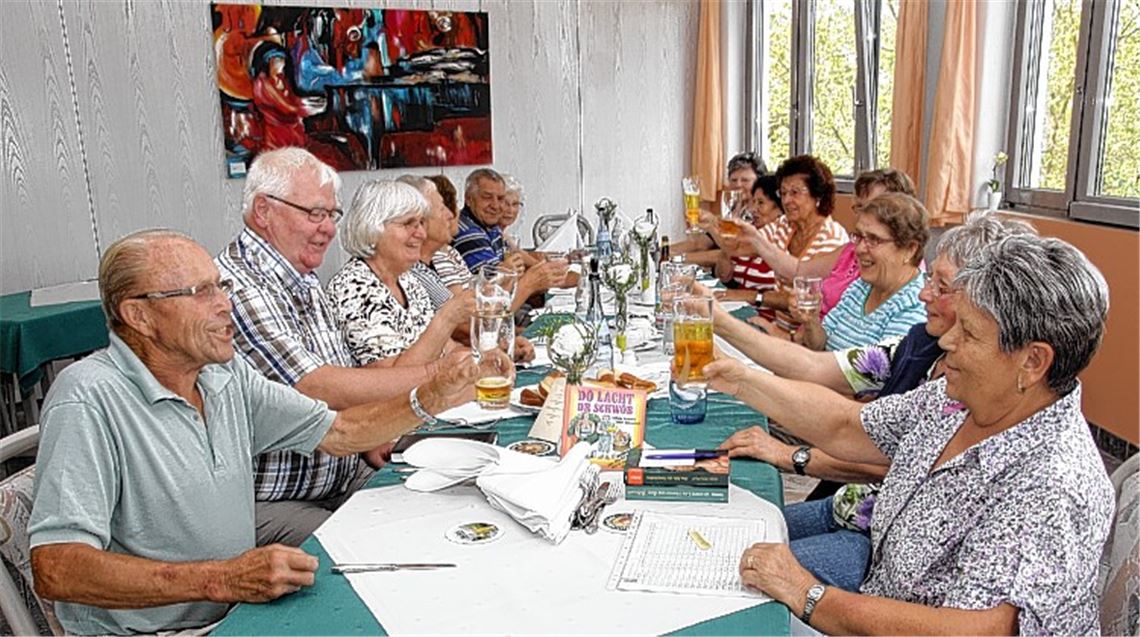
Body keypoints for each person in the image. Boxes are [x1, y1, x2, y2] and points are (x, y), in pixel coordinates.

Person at [29, 230, 478, 635]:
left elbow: (340, 431)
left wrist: (431, 398)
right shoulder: (87, 399)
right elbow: (58, 567)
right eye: (200, 292)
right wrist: (222, 578)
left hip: (231, 612)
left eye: (221, 286)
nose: (226, 303)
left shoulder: (222, 374)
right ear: (140, 316)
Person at [707, 233, 1114, 635]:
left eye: (969, 333)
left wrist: (809, 594)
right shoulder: (958, 399)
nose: (948, 339)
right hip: (876, 595)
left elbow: (976, 632)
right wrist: (741, 380)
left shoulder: (1052, 485)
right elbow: (849, 426)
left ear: (1033, 361)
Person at [714, 213, 1038, 592]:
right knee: (730, 539)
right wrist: (724, 341)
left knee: (731, 569)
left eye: (942, 285)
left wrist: (791, 456)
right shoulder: (920, 345)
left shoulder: (997, 405)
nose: (924, 293)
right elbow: (840, 402)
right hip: (861, 508)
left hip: (881, 549)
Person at [215, 147, 443, 546]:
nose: (329, 229)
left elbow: (345, 383)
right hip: (278, 497)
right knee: (386, 551)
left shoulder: (302, 277)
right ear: (264, 211)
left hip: (343, 468)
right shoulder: (240, 287)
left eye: (332, 215)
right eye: (315, 213)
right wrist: (441, 377)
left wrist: (372, 437)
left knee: (440, 515)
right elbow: (317, 386)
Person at [327, 180, 475, 366]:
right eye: (408, 224)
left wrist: (487, 357)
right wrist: (447, 317)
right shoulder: (354, 288)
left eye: (421, 223)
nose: (421, 233)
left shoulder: (407, 281)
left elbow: (448, 349)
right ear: (374, 227)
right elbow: (390, 381)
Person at [792, 192, 928, 351]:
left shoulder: (914, 307)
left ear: (910, 249)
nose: (859, 249)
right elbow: (821, 343)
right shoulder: (861, 287)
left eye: (874, 239)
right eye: (859, 236)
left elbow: (875, 374)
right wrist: (811, 321)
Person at [747, 155, 849, 334]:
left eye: (795, 192)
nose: (786, 201)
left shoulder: (833, 238)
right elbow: (741, 247)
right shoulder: (784, 225)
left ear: (817, 194)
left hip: (809, 342)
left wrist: (750, 296)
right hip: (778, 331)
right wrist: (712, 225)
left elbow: (807, 299)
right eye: (783, 193)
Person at [672, 152, 766, 266]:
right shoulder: (734, 210)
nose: (738, 185)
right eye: (733, 180)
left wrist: (677, 258)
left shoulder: (763, 215)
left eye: (745, 180)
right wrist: (663, 251)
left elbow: (731, 253)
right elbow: (700, 244)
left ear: (760, 182)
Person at [713, 174, 784, 312]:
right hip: (739, 307)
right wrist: (725, 250)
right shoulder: (749, 230)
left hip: (767, 315)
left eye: (761, 203)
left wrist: (712, 225)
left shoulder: (779, 234)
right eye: (754, 202)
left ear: (779, 208)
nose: (753, 209)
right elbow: (723, 276)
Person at [451, 168, 511, 272]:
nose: (495, 205)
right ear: (469, 199)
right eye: (487, 197)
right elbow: (496, 281)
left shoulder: (489, 224)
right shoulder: (468, 233)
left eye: (500, 198)